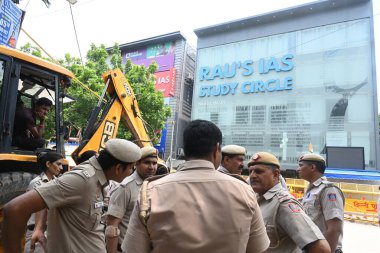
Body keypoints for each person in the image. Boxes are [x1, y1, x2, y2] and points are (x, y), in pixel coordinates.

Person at [121, 119, 270, 253]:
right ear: (216, 150)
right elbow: (259, 249)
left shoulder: (151, 192)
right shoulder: (244, 191)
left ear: (186, 150)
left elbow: (133, 249)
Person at [2, 139, 142, 253]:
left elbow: (49, 198)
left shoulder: (98, 179)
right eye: (131, 168)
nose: (131, 172)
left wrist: (39, 227)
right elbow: (14, 208)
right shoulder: (82, 180)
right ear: (118, 168)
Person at [248, 152, 330, 253]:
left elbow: (321, 249)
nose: (252, 176)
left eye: (258, 171)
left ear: (275, 174)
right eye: (250, 172)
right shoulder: (257, 198)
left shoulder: (283, 204)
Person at [106, 146, 158, 253]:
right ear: (136, 163)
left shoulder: (154, 185)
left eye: (154, 163)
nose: (151, 167)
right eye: (147, 162)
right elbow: (112, 225)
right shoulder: (126, 187)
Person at [297, 154, 345, 253]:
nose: (298, 169)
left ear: (312, 167)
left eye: (301, 165)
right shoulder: (312, 190)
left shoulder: (329, 190)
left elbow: (334, 229)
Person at [24, 151, 64, 253]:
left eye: (62, 165)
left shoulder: (58, 183)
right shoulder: (36, 184)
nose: (61, 168)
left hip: (52, 232)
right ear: (48, 164)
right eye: (58, 164)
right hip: (36, 231)